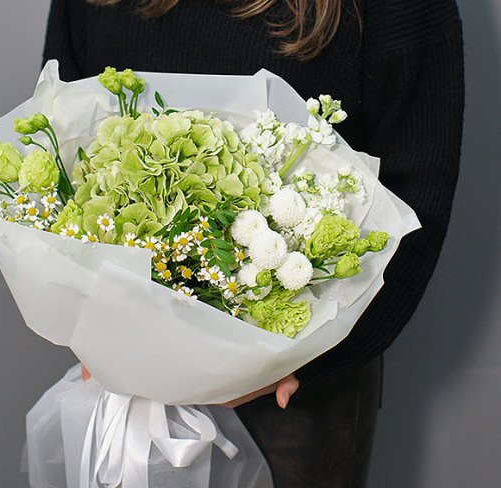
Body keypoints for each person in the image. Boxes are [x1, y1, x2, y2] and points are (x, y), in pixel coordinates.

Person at [42, 0, 464, 485]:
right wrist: (92, 322)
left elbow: (417, 194)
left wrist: (294, 361)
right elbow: (63, 142)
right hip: (125, 373)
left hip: (296, 388)